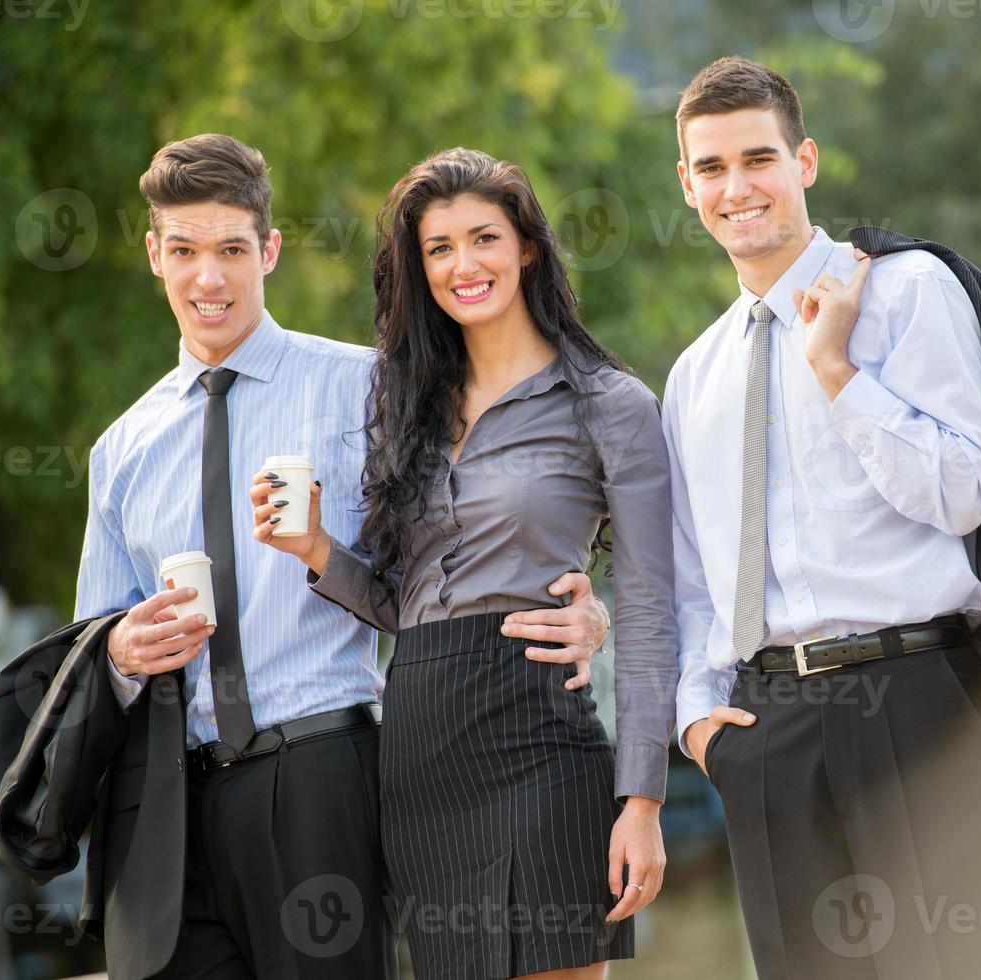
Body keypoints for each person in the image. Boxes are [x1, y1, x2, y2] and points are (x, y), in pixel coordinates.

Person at [75, 133, 611, 979]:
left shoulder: (372, 388)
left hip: (320, 773)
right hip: (169, 804)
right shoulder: (121, 448)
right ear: (155, 255)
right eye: (183, 251)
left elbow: (456, 561)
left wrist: (584, 608)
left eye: (230, 251)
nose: (207, 279)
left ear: (269, 251)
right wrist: (118, 651)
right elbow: (89, 644)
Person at [664, 57, 981, 979]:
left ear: (805, 160)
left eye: (757, 158)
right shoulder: (693, 376)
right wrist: (697, 724)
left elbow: (967, 492)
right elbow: (689, 579)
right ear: (686, 186)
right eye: (710, 168)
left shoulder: (910, 291)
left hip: (915, 700)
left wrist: (836, 369)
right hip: (766, 734)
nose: (736, 187)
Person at [252, 146, 678, 980]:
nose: (463, 264)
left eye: (482, 237)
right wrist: (315, 552)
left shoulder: (609, 405)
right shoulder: (402, 407)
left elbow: (653, 607)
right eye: (438, 248)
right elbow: (403, 603)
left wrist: (643, 801)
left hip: (541, 745)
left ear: (526, 246)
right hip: (418, 749)